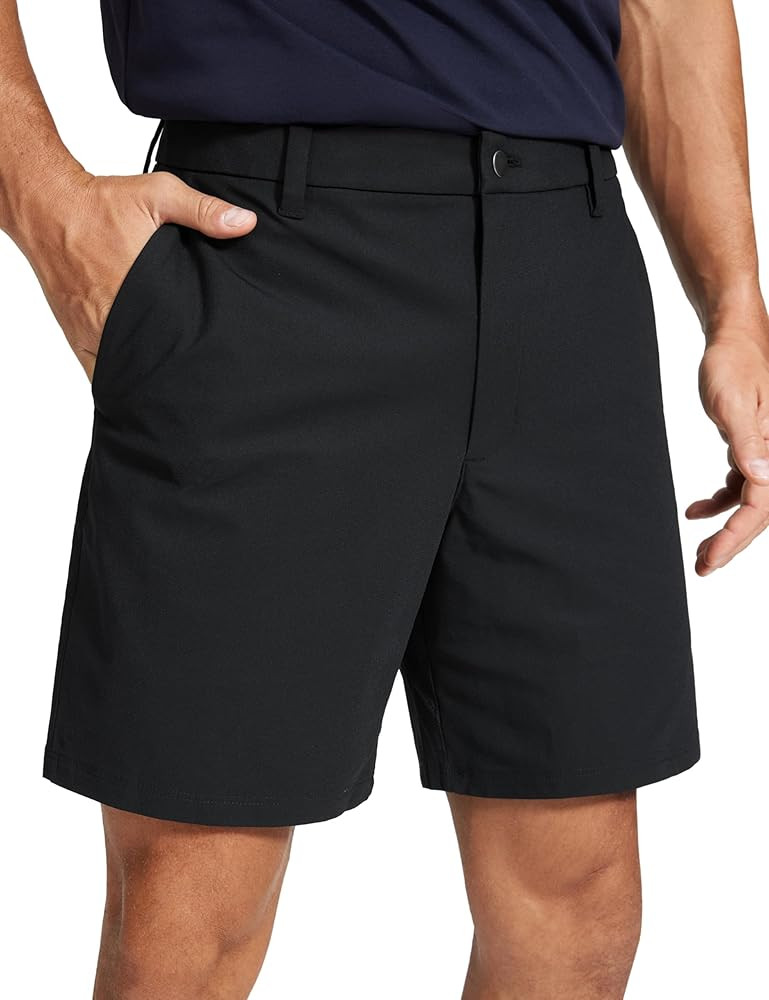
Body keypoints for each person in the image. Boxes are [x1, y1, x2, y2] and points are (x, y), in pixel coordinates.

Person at [2, 0, 767, 996]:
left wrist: (734, 305)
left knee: (578, 907)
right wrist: (47, 204)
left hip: (562, 260)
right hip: (263, 256)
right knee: (191, 906)